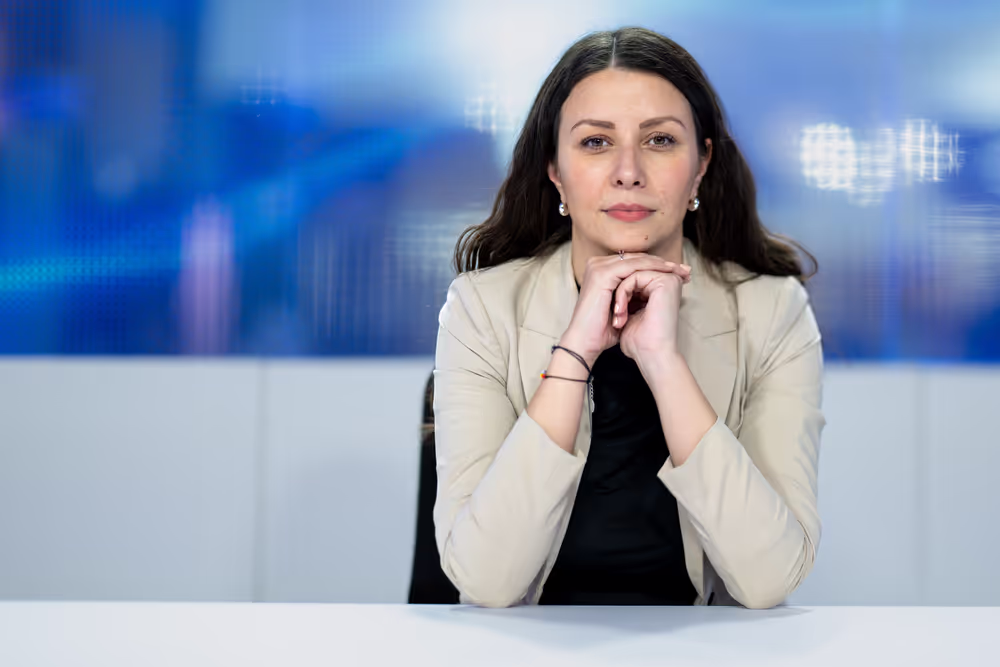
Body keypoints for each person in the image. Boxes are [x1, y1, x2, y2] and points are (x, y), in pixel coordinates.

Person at [431, 26, 824, 609]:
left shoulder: (772, 312)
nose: (628, 171)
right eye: (595, 143)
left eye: (660, 140)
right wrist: (575, 353)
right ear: (555, 170)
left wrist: (664, 363)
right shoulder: (482, 309)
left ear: (701, 164)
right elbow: (486, 582)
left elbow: (767, 580)